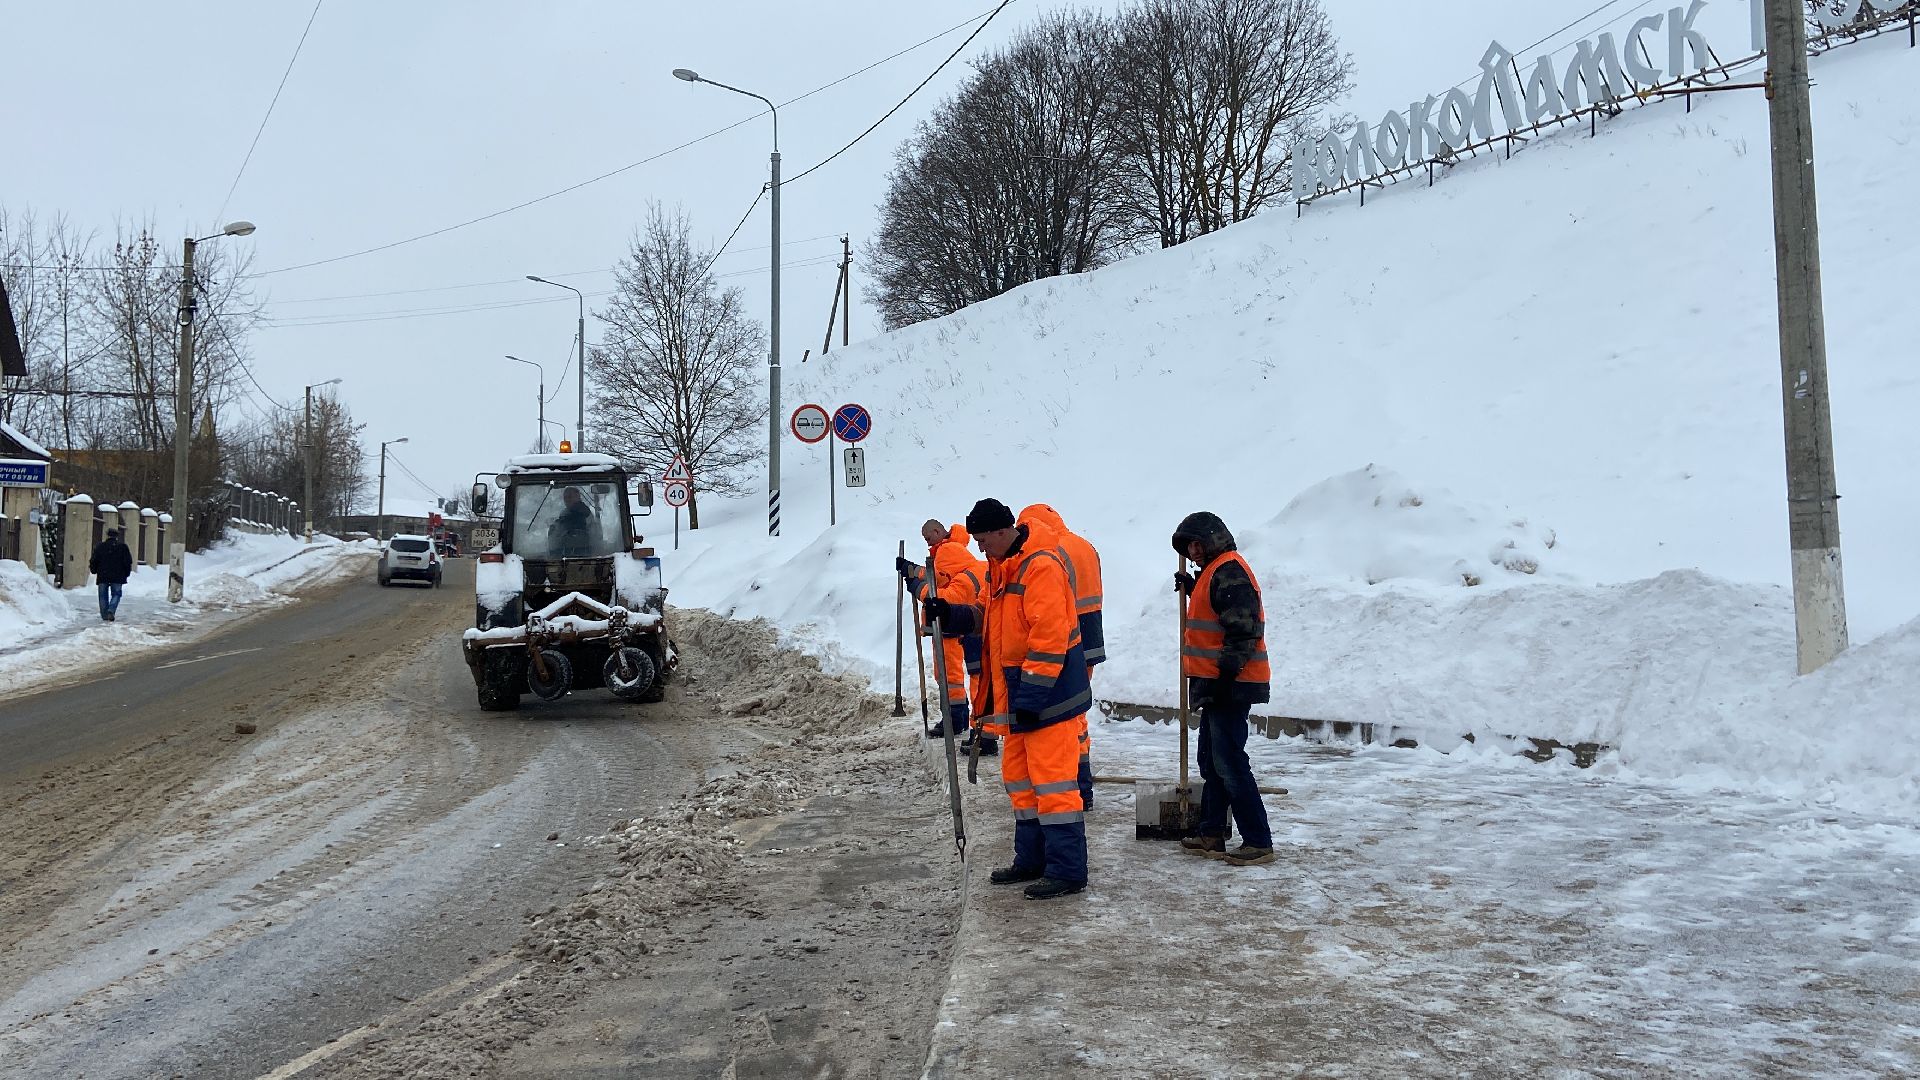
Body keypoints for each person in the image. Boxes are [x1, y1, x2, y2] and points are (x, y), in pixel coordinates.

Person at [929, 498, 1091, 900]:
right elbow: (986, 615)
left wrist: (1032, 697)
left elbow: (1049, 637)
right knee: (1021, 782)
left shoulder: (1042, 567)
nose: (980, 548)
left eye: (983, 541)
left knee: (1053, 785)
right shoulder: (1003, 566)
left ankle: (1067, 871)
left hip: (1049, 698)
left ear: (1003, 532)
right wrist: (950, 613)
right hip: (1019, 698)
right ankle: (1032, 859)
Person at [1172, 511, 1275, 867]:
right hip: (1217, 683)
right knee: (1211, 761)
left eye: (1197, 543)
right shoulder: (1214, 573)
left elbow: (1243, 631)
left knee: (1229, 762)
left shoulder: (1229, 570)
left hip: (1231, 683)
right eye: (1188, 546)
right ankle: (1211, 833)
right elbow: (1216, 617)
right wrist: (1192, 588)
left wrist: (1224, 677)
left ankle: (1258, 840)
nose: (1193, 550)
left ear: (1213, 539)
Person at [1019, 504, 1103, 809]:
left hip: (1067, 636)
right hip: (1090, 632)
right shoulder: (1086, 546)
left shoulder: (1051, 552)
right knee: (1078, 714)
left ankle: (1078, 786)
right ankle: (1082, 785)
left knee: (1068, 719)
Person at [897, 519, 988, 749]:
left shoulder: (949, 552)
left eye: (928, 538)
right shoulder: (951, 552)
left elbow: (941, 594)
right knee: (949, 673)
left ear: (937, 531)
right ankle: (961, 720)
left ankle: (970, 725)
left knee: (960, 674)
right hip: (960, 621)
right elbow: (935, 575)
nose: (927, 543)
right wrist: (911, 570)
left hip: (961, 621)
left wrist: (916, 586)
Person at [89, 527, 134, 623]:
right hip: (118, 575)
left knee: (102, 596)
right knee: (116, 594)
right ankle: (111, 610)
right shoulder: (123, 547)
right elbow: (127, 561)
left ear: (107, 535)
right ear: (117, 536)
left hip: (103, 574)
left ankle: (105, 616)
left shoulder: (100, 547)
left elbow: (94, 560)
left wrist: (94, 570)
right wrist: (127, 573)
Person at [550, 486, 593, 558]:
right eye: (565, 497)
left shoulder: (584, 513)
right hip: (565, 554)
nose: (567, 500)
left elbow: (588, 534)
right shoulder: (565, 513)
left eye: (570, 497)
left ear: (578, 497)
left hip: (582, 555)